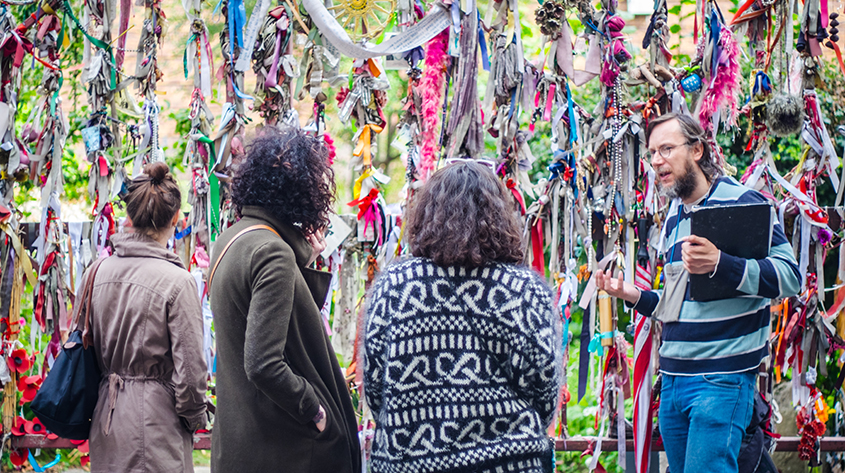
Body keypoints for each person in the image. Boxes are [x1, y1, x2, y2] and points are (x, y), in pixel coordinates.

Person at [595, 113, 801, 473]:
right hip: (674, 386)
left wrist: (722, 262)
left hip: (719, 382)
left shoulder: (744, 201)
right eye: (652, 153)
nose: (656, 160)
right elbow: (675, 306)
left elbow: (790, 278)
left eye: (667, 149)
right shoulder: (675, 215)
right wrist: (630, 293)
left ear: (697, 150)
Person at [363, 161, 562, 473]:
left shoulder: (394, 284)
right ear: (498, 215)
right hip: (506, 462)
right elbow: (545, 389)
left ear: (427, 213)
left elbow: (375, 384)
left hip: (409, 463)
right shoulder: (523, 289)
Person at [208, 127, 361, 473]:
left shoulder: (234, 238)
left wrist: (302, 256)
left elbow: (282, 321)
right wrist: (315, 411)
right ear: (300, 191)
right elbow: (264, 363)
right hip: (282, 449)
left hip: (242, 443)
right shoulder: (272, 252)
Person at [83, 162, 208, 473]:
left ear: (129, 217)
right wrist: (194, 419)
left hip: (106, 420)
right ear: (177, 219)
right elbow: (191, 372)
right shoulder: (177, 282)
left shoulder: (96, 272)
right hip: (156, 426)